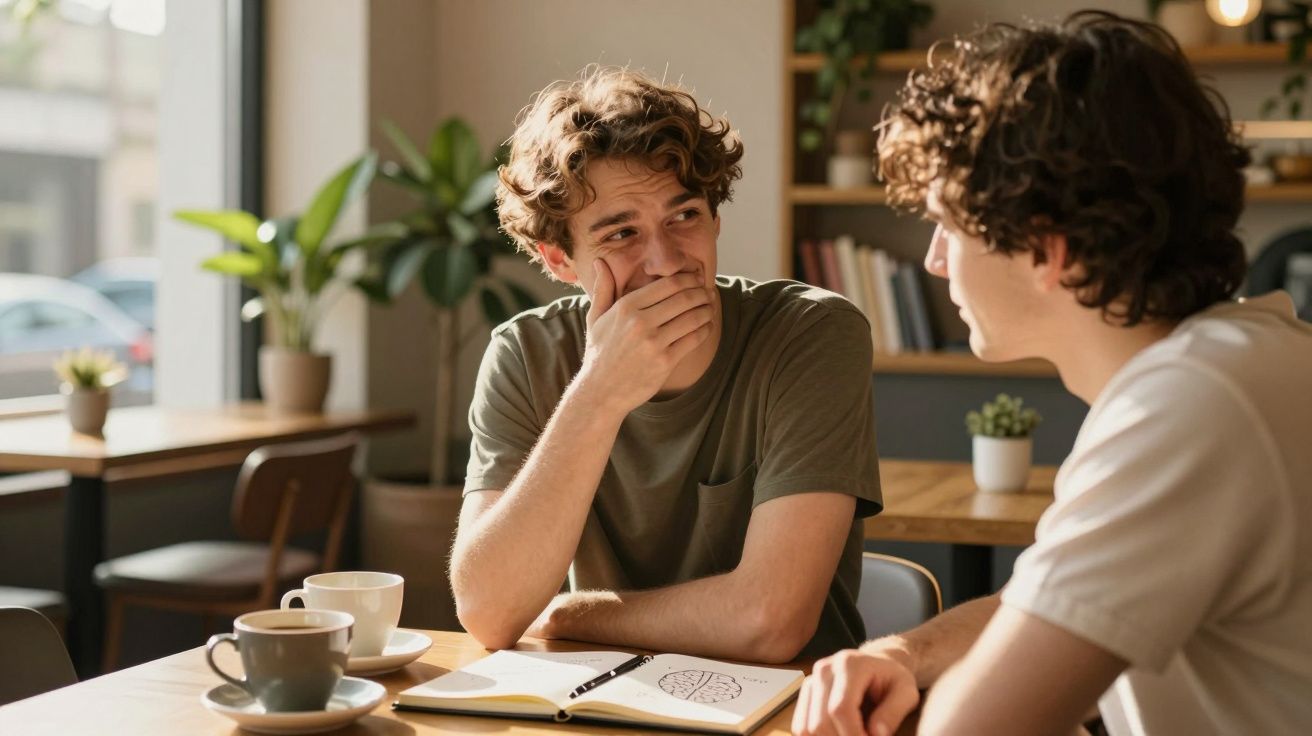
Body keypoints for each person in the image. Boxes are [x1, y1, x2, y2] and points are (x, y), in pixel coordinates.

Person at [793, 11, 1312, 736]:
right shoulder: (1249, 351)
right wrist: (907, 652)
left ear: (1047, 249)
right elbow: (1053, 604)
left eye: (950, 225)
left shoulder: (1187, 409)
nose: (937, 260)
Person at [448, 66, 883, 663]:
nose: (666, 260)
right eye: (621, 233)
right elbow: (489, 612)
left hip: (790, 712)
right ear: (559, 260)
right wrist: (598, 391)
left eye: (684, 217)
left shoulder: (810, 333)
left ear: (715, 219)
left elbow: (769, 621)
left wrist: (576, 613)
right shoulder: (525, 355)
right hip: (603, 707)